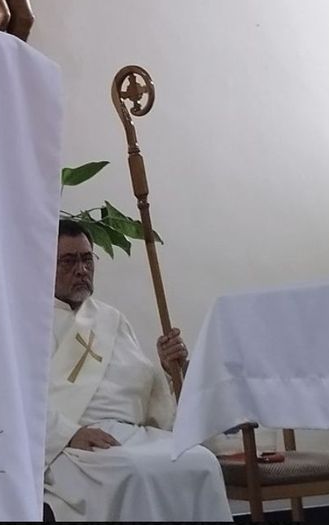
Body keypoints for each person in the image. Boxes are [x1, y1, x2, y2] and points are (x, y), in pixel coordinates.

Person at [44, 221, 232, 522]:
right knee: (134, 471)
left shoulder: (111, 319)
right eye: (68, 261)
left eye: (87, 259)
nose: (81, 269)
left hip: (133, 434)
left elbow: (148, 394)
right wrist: (69, 434)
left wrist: (170, 370)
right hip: (73, 443)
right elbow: (16, 403)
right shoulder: (30, 323)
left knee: (201, 461)